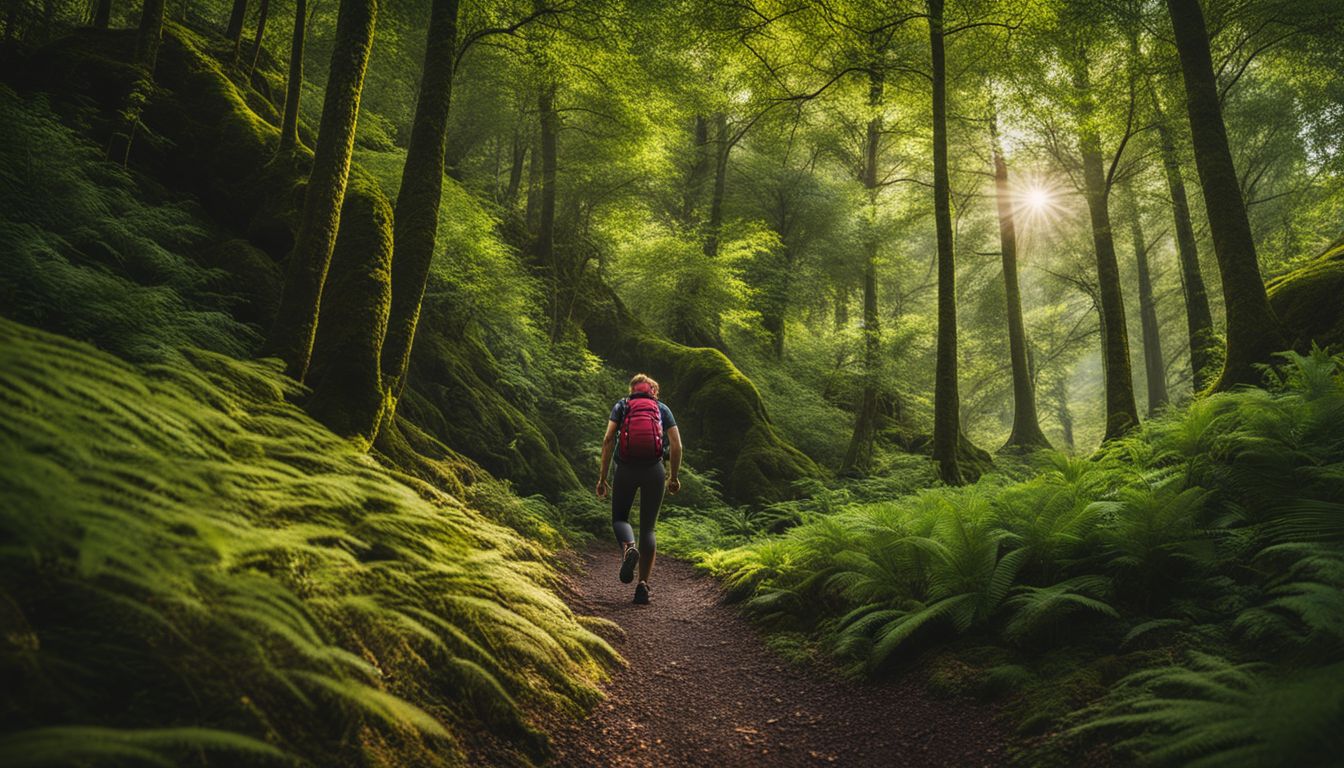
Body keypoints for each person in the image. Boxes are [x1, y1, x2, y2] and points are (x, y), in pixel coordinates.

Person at [596, 373, 682, 604]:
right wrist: (673, 476)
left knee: (620, 519)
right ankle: (642, 586)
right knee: (649, 529)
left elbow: (608, 439)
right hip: (654, 470)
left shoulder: (622, 405)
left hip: (625, 469)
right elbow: (676, 444)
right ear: (653, 391)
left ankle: (628, 548)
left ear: (633, 389)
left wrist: (603, 478)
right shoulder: (662, 408)